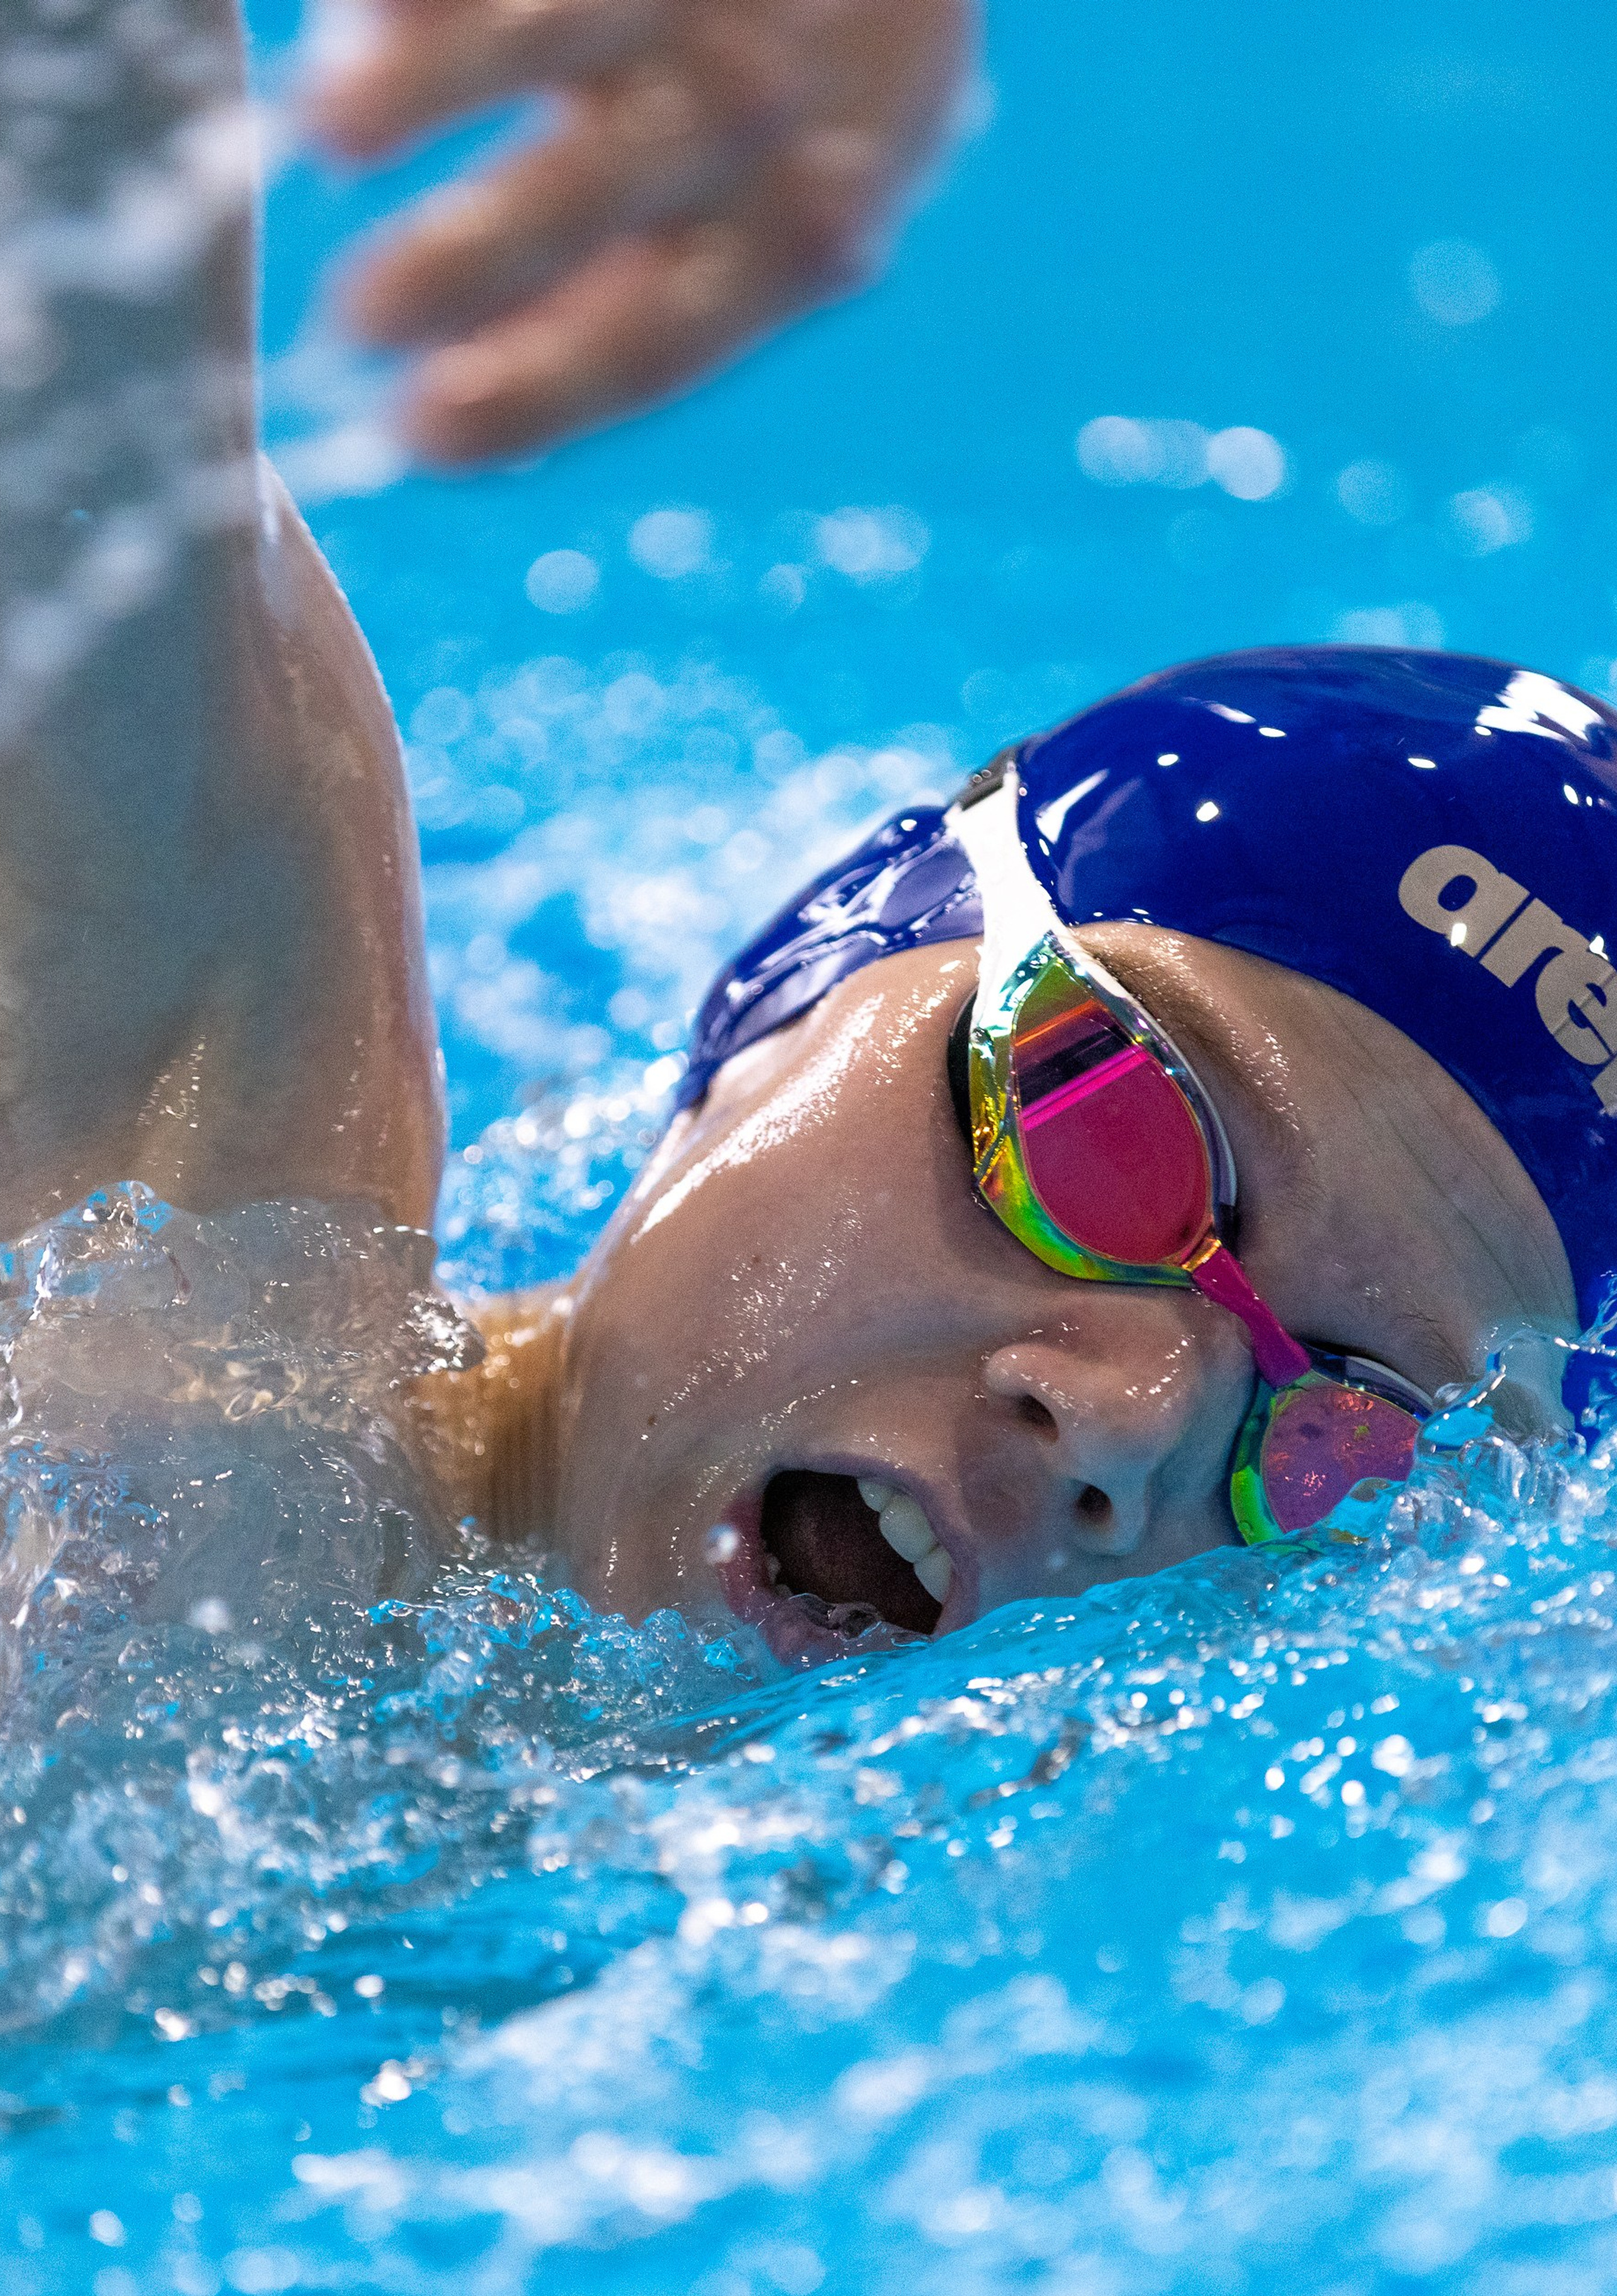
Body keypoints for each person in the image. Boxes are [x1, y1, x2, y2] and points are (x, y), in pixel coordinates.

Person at [0, 0, 1602, 1672]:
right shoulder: (183, 1255)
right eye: (1113, 1139)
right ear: (816, 960)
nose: (1128, 1425)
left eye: (1342, 1434)